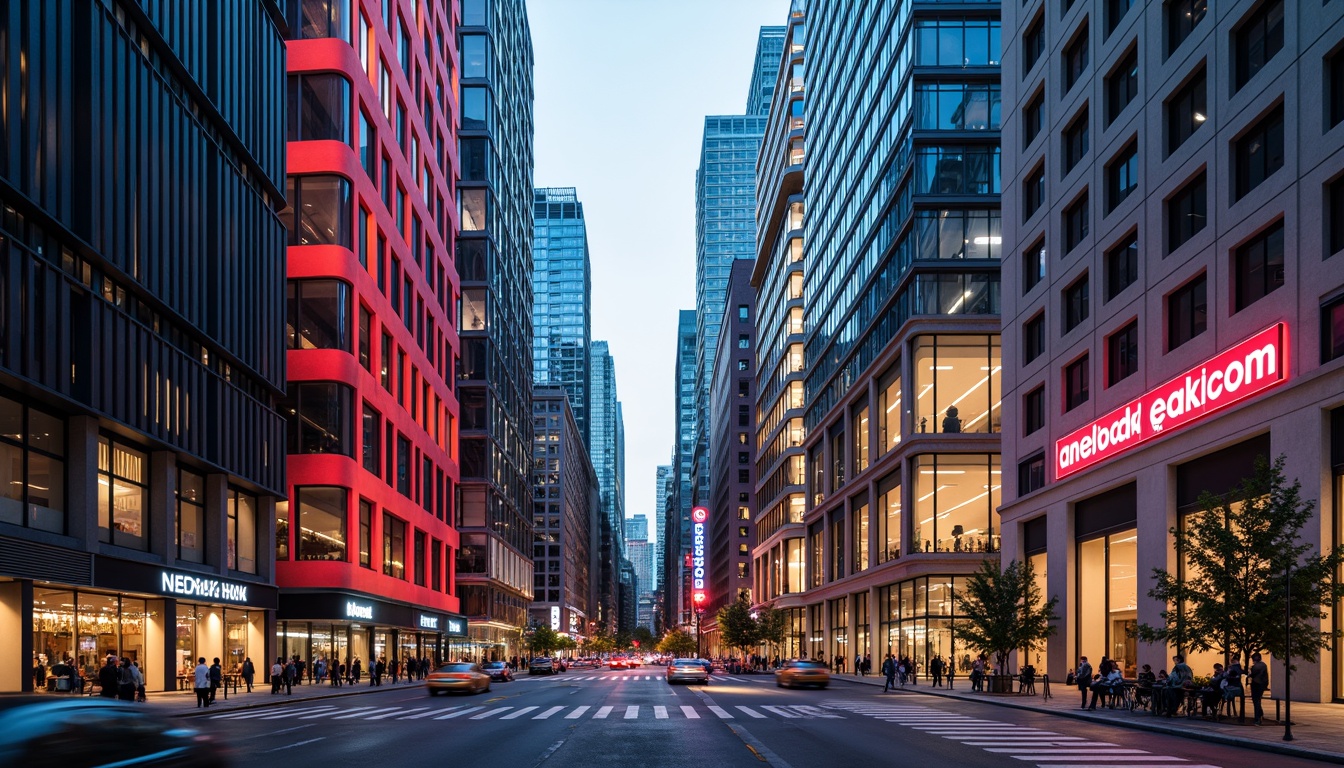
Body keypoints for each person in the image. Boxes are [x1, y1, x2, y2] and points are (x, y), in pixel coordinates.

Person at [1249, 652, 1269, 725]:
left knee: (1256, 701)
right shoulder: (1264, 665)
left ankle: (1257, 718)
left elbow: (1253, 674)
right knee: (1258, 700)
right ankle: (1260, 715)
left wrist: (1249, 674)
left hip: (1256, 684)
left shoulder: (1255, 666)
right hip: (1262, 685)